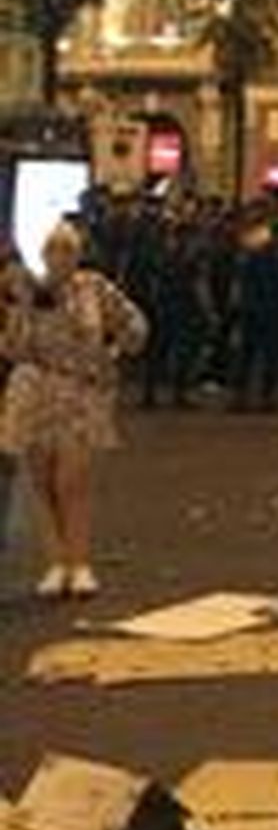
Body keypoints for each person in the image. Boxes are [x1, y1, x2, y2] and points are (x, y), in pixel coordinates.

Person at [1, 220, 148, 597]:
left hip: (83, 396)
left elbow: (134, 326)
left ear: (79, 253)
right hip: (34, 394)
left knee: (72, 480)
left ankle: (79, 562)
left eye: (67, 249)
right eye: (52, 250)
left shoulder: (95, 287)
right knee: (42, 484)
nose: (59, 257)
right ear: (43, 255)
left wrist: (114, 353)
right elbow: (12, 348)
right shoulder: (29, 292)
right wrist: (22, 306)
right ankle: (56, 563)